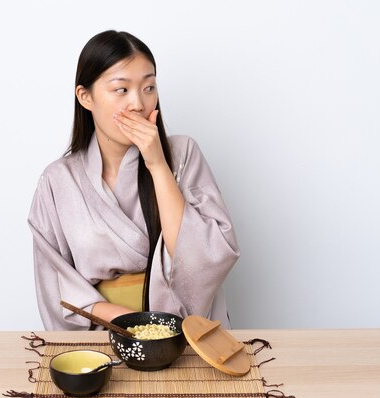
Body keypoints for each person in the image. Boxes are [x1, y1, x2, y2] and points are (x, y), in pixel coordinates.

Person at [28, 30, 239, 331]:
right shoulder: (58, 180)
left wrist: (157, 164)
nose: (138, 104)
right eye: (121, 90)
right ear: (85, 97)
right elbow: (55, 284)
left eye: (148, 87)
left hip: (183, 332)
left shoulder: (182, 154)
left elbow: (205, 258)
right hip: (102, 335)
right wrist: (133, 325)